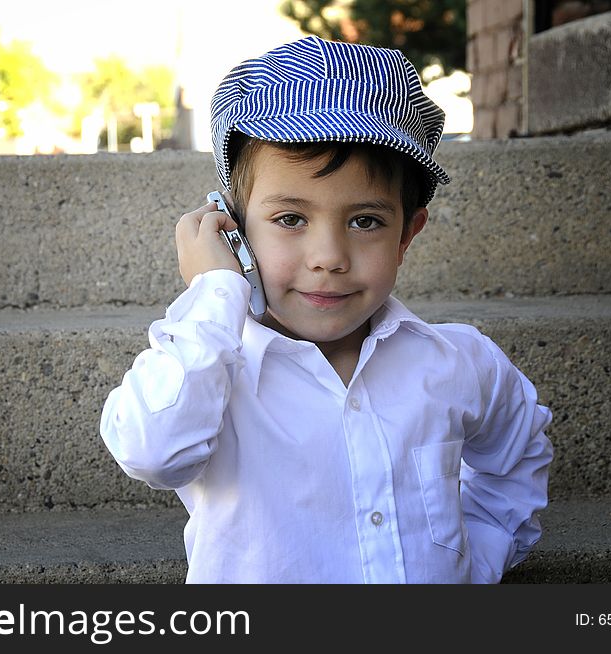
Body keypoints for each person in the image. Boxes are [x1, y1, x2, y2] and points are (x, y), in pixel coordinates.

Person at [99, 36, 553, 583]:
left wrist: (478, 557)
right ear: (234, 229)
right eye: (291, 219)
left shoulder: (457, 362)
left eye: (365, 221)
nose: (329, 258)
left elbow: (517, 453)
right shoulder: (212, 365)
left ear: (407, 233)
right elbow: (152, 452)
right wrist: (215, 288)